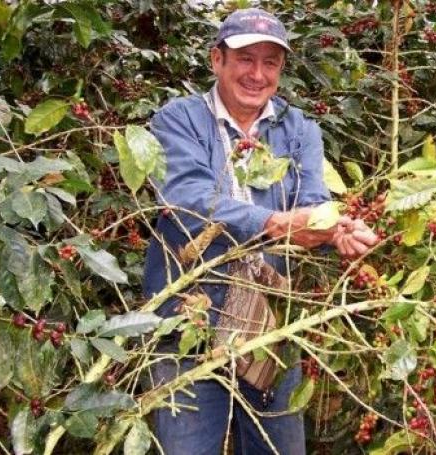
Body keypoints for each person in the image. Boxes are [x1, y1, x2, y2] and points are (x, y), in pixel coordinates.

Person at [142, 8, 377, 455]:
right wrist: (272, 224)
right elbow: (186, 199)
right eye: (245, 59)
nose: (257, 74)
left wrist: (335, 231)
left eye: (270, 63)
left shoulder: (298, 129)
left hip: (268, 324)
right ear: (217, 60)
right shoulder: (178, 120)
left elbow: (311, 203)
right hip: (189, 323)